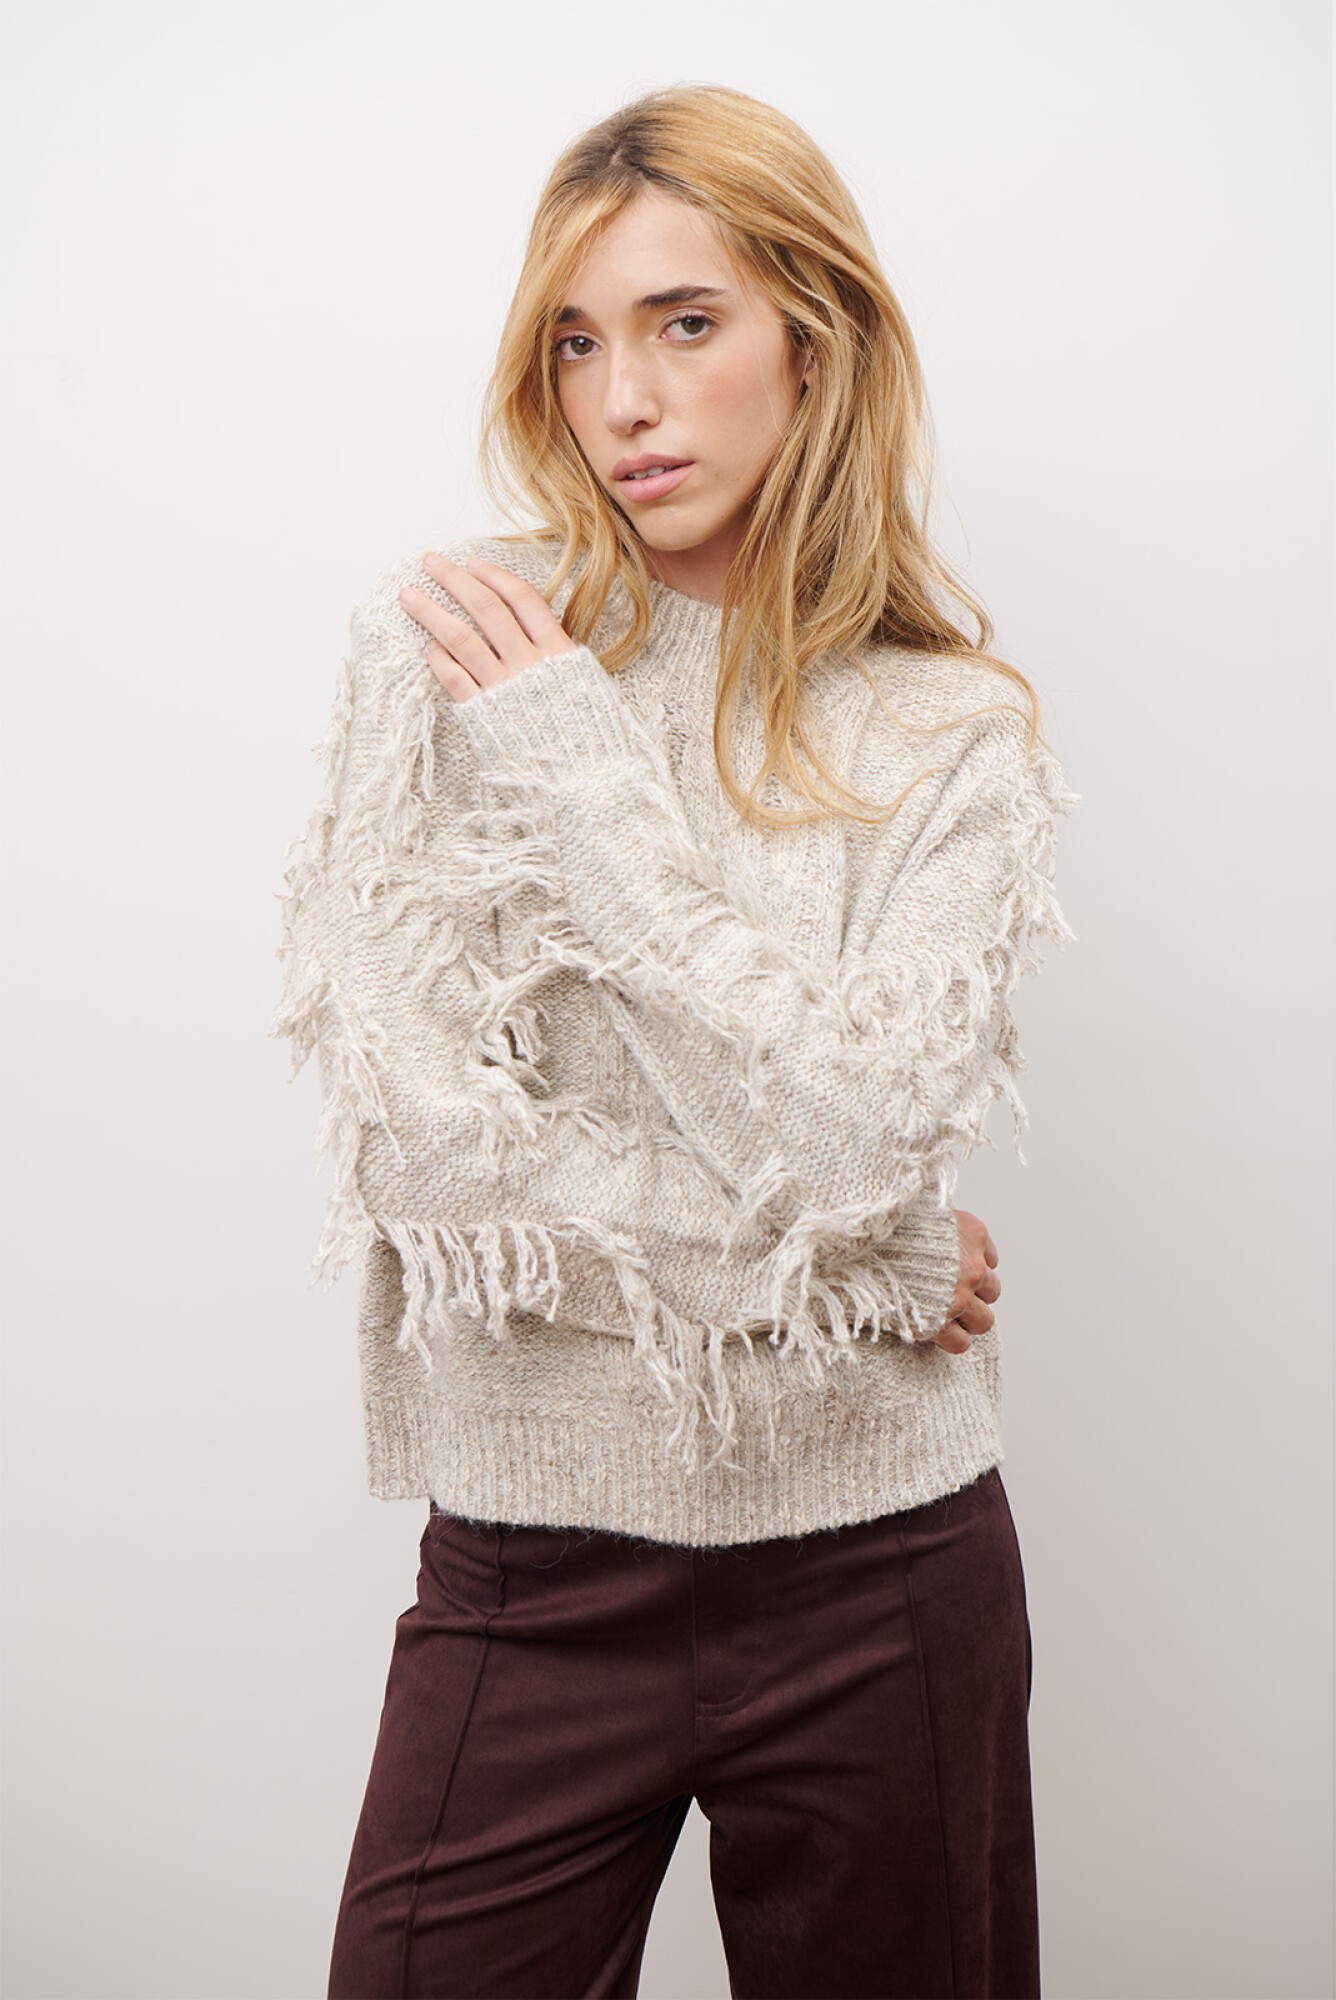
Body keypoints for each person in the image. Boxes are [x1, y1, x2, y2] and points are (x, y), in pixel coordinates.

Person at [273, 82, 1078, 2000]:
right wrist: (872, 1265)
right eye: (574, 341)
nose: (622, 398)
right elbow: (435, 1167)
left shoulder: (952, 729)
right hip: (531, 1572)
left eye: (683, 322)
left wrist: (587, 785)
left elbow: (862, 1138)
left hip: (887, 1566)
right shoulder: (451, 647)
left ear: (817, 338)